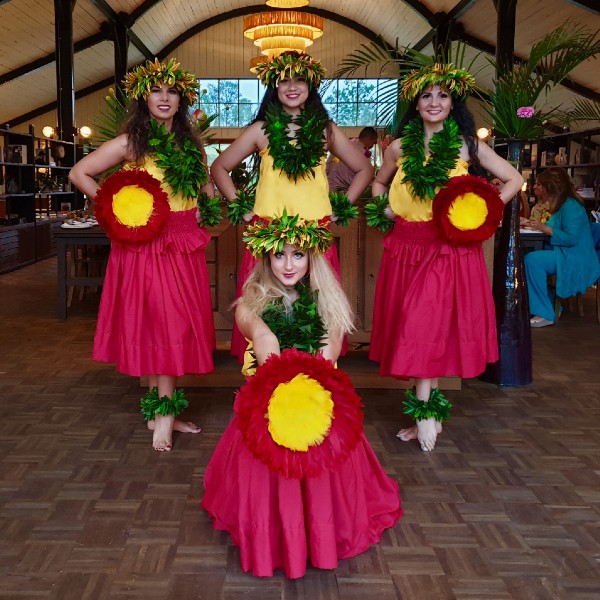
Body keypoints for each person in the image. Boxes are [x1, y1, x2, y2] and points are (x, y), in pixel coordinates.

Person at [201, 215, 402, 579]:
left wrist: (309, 398)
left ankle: (321, 532)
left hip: (317, 406)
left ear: (313, 259)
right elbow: (262, 338)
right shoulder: (250, 302)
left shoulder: (330, 303)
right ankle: (275, 534)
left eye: (297, 255)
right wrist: (278, 385)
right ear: (265, 259)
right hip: (269, 405)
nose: (288, 264)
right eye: (279, 255)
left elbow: (331, 346)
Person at [368, 63, 523, 452]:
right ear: (415, 104)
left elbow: (514, 180)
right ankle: (429, 412)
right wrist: (383, 207)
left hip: (448, 251)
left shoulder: (468, 145)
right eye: (426, 96)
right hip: (406, 247)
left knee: (425, 328)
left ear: (453, 102)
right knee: (422, 330)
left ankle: (425, 416)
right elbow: (377, 182)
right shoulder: (399, 147)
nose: (434, 102)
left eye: (442, 95)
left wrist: (482, 215)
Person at [69, 58, 216, 452]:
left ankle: (157, 412)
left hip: (183, 243)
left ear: (181, 98)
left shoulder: (191, 145)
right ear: (143, 97)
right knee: (162, 327)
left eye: (171, 91)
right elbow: (80, 173)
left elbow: (206, 193)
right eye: (156, 91)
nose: (164, 98)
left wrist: (206, 204)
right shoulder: (131, 143)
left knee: (171, 327)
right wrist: (119, 211)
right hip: (147, 246)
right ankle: (164, 419)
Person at [210, 51, 373, 360]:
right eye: (284, 80)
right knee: (266, 316)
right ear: (274, 86)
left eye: (299, 79)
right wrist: (241, 207)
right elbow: (219, 167)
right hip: (269, 238)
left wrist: (344, 205)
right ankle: (266, 383)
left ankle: (313, 381)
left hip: (314, 237)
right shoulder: (260, 130)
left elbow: (365, 170)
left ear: (311, 85)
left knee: (318, 316)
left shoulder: (326, 129)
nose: (292, 86)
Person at [524, 167, 600, 327]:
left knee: (532, 260)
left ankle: (545, 313)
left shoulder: (571, 206)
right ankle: (549, 306)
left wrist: (545, 229)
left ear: (549, 187)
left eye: (541, 185)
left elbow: (571, 238)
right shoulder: (561, 204)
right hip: (563, 251)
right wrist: (535, 225)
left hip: (574, 255)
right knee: (529, 257)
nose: (538, 188)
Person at [326, 126, 378, 192]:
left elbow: (327, 168)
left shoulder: (341, 146)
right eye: (373, 142)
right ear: (368, 139)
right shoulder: (362, 153)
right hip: (341, 191)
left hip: (327, 188)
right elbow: (365, 176)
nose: (372, 146)